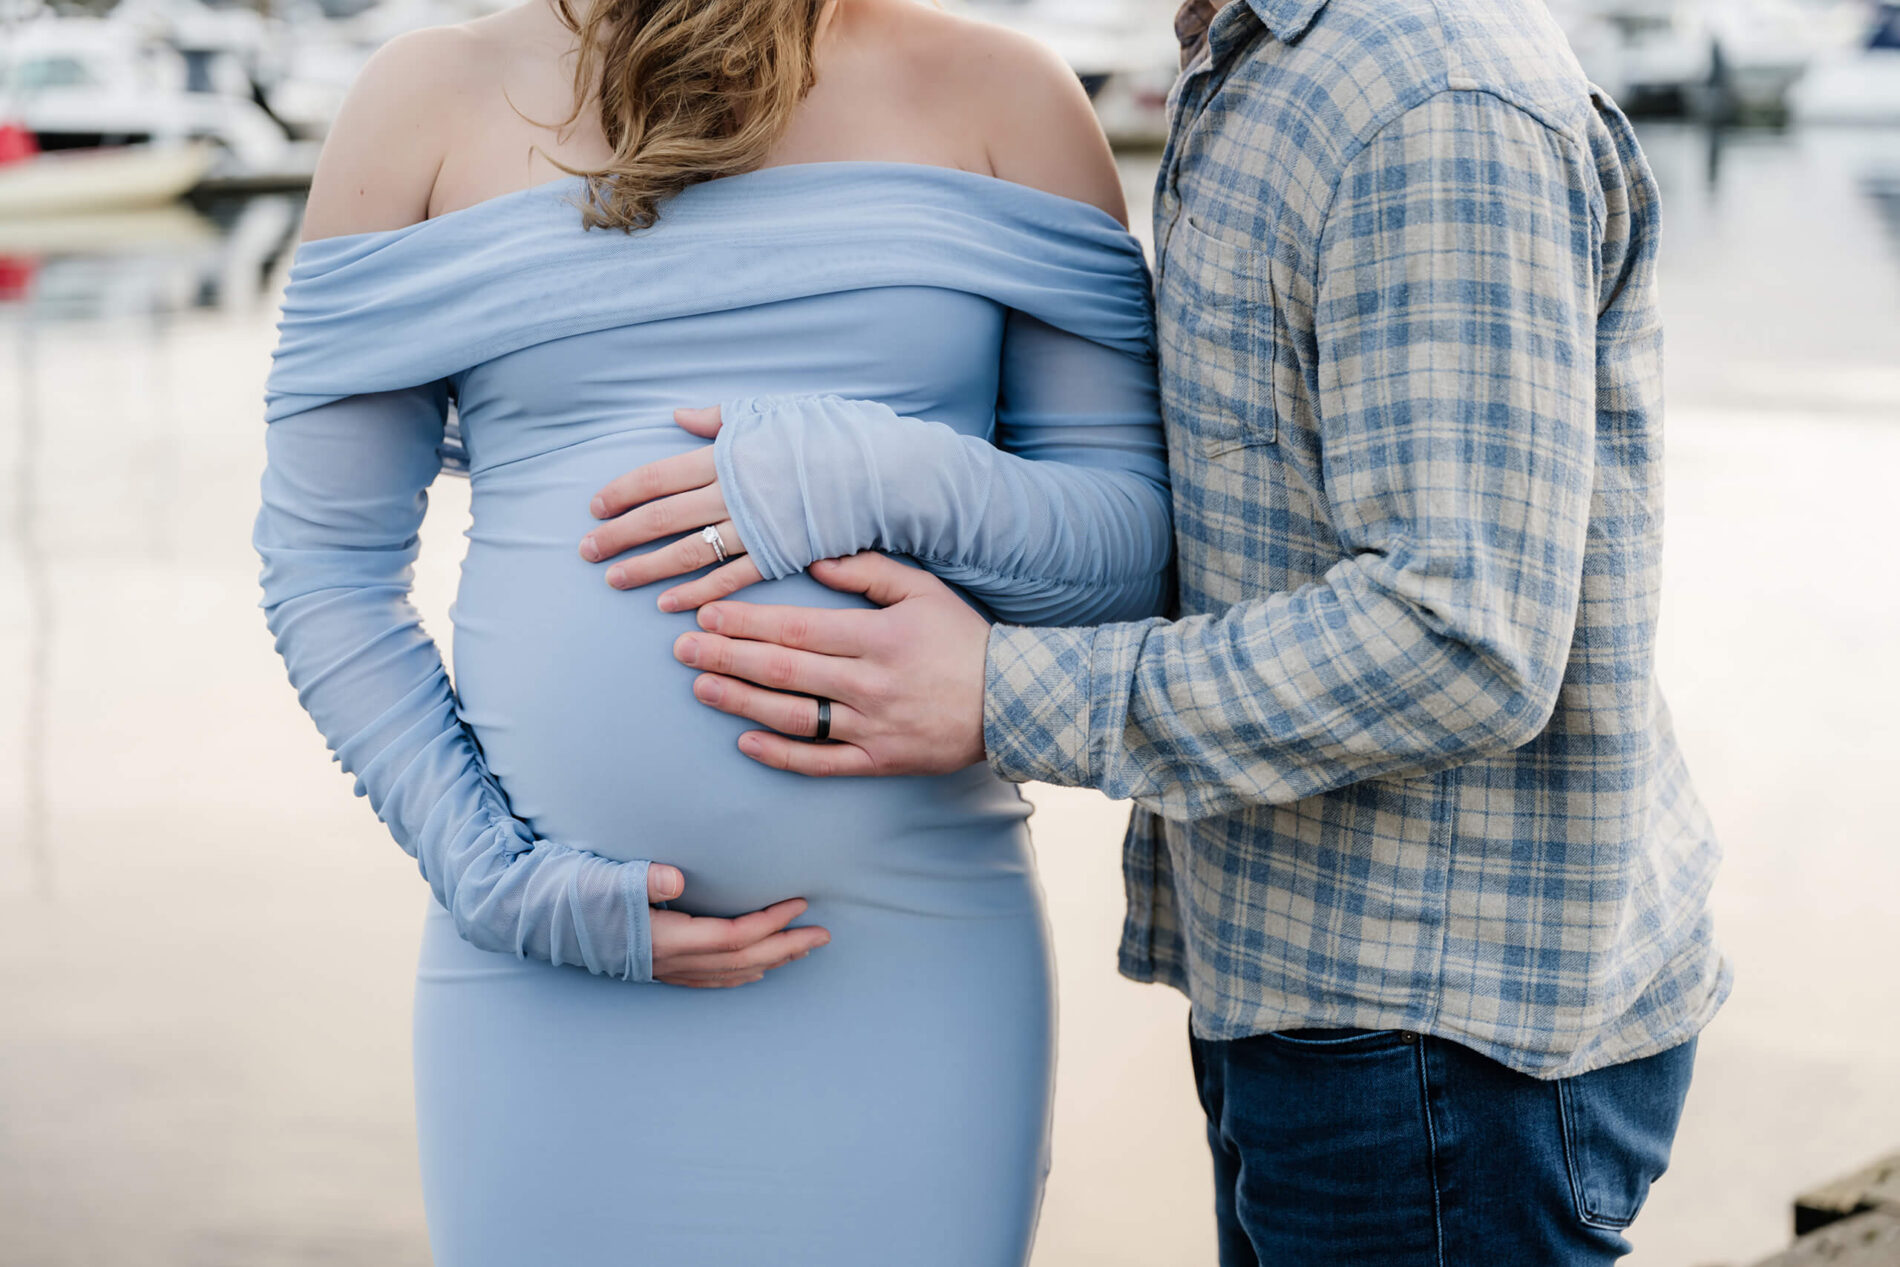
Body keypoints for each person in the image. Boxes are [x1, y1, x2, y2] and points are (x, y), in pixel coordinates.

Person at [643, 0, 1732, 1262]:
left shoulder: (1425, 99)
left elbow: (1461, 640)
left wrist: (994, 691)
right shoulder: (1264, 65)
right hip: (1333, 997)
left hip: (1438, 1036)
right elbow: (1236, 520)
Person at [251, 0, 1173, 1262]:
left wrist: (881, 471)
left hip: (903, 953)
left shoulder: (1005, 96)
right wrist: (492, 879)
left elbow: (1127, 561)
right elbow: (326, 569)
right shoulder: (423, 100)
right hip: (542, 965)